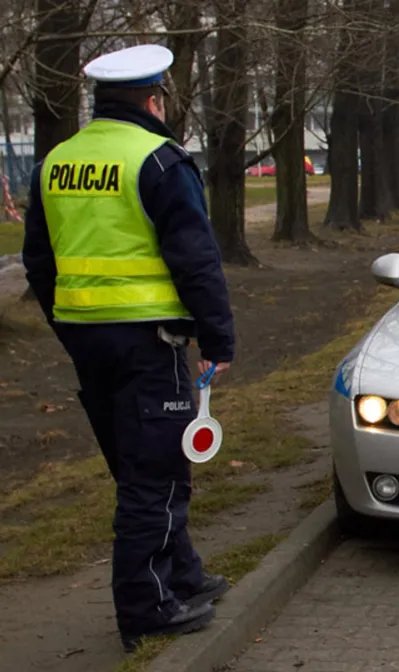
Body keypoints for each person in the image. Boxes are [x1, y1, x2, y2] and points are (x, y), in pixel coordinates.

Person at [21, 44, 236, 652]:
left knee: (140, 467)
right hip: (149, 340)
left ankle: (184, 577)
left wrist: (70, 326)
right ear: (153, 98)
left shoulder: (57, 161)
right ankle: (147, 608)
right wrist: (217, 339)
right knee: (156, 476)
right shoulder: (158, 160)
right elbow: (196, 260)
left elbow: (39, 260)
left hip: (88, 342)